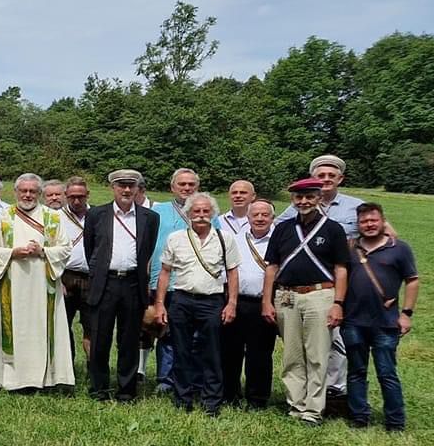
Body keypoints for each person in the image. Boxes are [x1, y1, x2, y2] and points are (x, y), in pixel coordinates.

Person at [261, 177, 350, 424]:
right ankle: (296, 405)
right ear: (293, 200)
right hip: (286, 296)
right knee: (291, 355)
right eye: (299, 197)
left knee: (317, 354)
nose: (304, 201)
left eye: (309, 196)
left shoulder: (333, 229)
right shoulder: (283, 228)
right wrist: (266, 301)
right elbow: (272, 266)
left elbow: (341, 269)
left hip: (319, 295)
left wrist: (338, 303)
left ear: (319, 198)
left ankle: (313, 410)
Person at [148, 193, 238, 414]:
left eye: (205, 211)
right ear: (188, 214)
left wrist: (232, 303)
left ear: (213, 213)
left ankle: (211, 403)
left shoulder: (224, 238)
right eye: (196, 211)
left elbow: (233, 273)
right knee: (181, 351)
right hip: (182, 299)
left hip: (212, 301)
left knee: (212, 353)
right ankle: (182, 399)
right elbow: (165, 273)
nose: (200, 215)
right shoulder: (176, 238)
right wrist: (160, 304)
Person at [0, 175, 75, 392]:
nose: (27, 195)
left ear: (39, 193)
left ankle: (45, 378)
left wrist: (43, 250)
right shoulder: (2, 218)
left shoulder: (52, 218)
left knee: (42, 328)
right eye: (23, 191)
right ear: (15, 192)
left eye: (32, 191)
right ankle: (12, 379)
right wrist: (13, 252)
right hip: (11, 283)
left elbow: (65, 248)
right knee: (14, 329)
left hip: (43, 286)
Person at [81, 170, 159, 403]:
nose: (126, 190)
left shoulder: (150, 218)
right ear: (112, 188)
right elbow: (90, 249)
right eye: (121, 186)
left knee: (129, 339)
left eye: (131, 186)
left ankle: (127, 390)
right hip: (105, 283)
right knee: (100, 338)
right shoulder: (96, 214)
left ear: (137, 188)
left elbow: (147, 251)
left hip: (133, 284)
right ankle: (99, 389)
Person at [341, 203, 418, 431]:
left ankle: (395, 421)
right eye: (364, 221)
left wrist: (406, 314)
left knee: (387, 372)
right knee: (356, 372)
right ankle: (358, 417)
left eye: (373, 220)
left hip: (386, 322)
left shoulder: (399, 248)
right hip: (353, 320)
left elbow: (412, 281)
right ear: (358, 225)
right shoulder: (350, 248)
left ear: (383, 221)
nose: (369, 225)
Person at [220, 198, 277, 409]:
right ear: (248, 217)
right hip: (235, 301)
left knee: (260, 354)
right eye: (256, 215)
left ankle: (257, 399)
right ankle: (229, 394)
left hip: (263, 303)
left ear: (272, 218)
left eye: (265, 215)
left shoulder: (279, 240)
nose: (260, 219)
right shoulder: (235, 239)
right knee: (229, 352)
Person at [147, 167, 200, 395]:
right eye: (182, 184)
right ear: (172, 187)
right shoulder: (158, 211)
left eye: (191, 185)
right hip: (164, 281)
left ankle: (192, 379)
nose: (187, 188)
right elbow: (147, 245)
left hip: (195, 283)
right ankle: (166, 380)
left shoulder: (206, 211)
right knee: (166, 332)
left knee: (195, 336)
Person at [60, 178, 92, 363]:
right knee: (63, 326)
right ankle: (67, 368)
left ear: (88, 195)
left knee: (92, 327)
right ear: (66, 196)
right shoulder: (56, 217)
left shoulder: (98, 215)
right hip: (65, 276)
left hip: (91, 277)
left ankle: (92, 368)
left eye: (80, 197)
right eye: (72, 197)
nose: (77, 201)